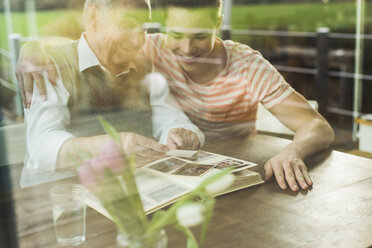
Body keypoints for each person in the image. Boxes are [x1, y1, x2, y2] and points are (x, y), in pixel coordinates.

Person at [17, 0, 334, 192]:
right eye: (176, 35)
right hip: (131, 182)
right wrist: (34, 45)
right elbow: (91, 42)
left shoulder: (245, 64)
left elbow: (317, 126)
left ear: (218, 23)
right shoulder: (148, 49)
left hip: (234, 176)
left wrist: (292, 152)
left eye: (200, 36)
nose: (185, 49)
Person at [19, 0, 204, 187]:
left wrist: (180, 135)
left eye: (144, 27)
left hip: (124, 193)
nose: (138, 40)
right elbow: (41, 149)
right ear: (94, 17)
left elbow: (170, 119)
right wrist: (112, 147)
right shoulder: (49, 65)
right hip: (56, 197)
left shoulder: (146, 67)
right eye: (127, 25)